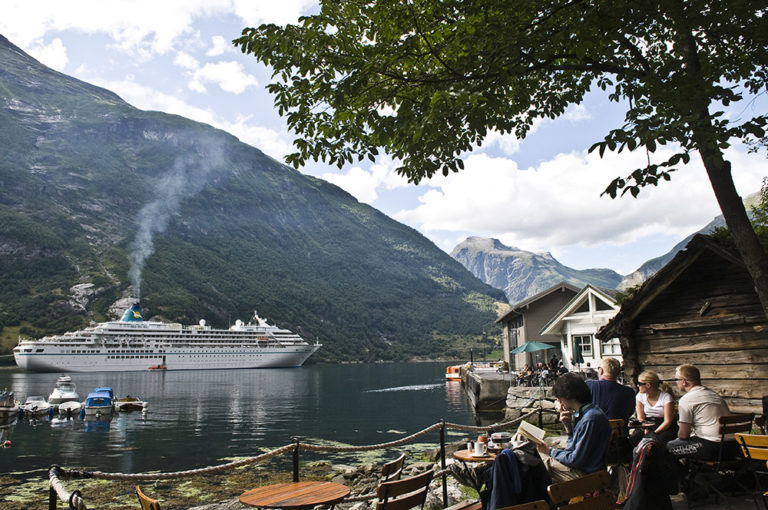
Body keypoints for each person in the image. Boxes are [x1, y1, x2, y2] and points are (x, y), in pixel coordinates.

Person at [535, 373, 611, 482]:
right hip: (584, 469)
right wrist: (569, 429)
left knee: (538, 460)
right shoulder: (587, 413)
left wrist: (549, 451)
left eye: (559, 398)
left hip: (587, 475)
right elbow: (572, 450)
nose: (559, 402)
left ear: (568, 396)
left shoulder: (590, 419)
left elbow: (575, 460)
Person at [666, 364, 731, 460]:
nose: (676, 383)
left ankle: (680, 474)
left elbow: (683, 434)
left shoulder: (687, 399)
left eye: (676, 379)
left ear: (683, 382)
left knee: (668, 447)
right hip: (732, 446)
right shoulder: (713, 394)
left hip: (713, 447)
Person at [630, 370, 678, 445]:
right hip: (647, 424)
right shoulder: (640, 396)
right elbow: (641, 417)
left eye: (639, 384)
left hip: (663, 426)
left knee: (657, 440)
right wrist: (645, 428)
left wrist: (654, 433)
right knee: (635, 437)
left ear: (648, 385)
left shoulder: (666, 398)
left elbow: (667, 421)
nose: (637, 386)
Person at [585, 357, 636, 423]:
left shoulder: (589, 385)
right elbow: (629, 412)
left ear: (601, 370)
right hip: (620, 431)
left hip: (594, 430)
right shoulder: (629, 392)